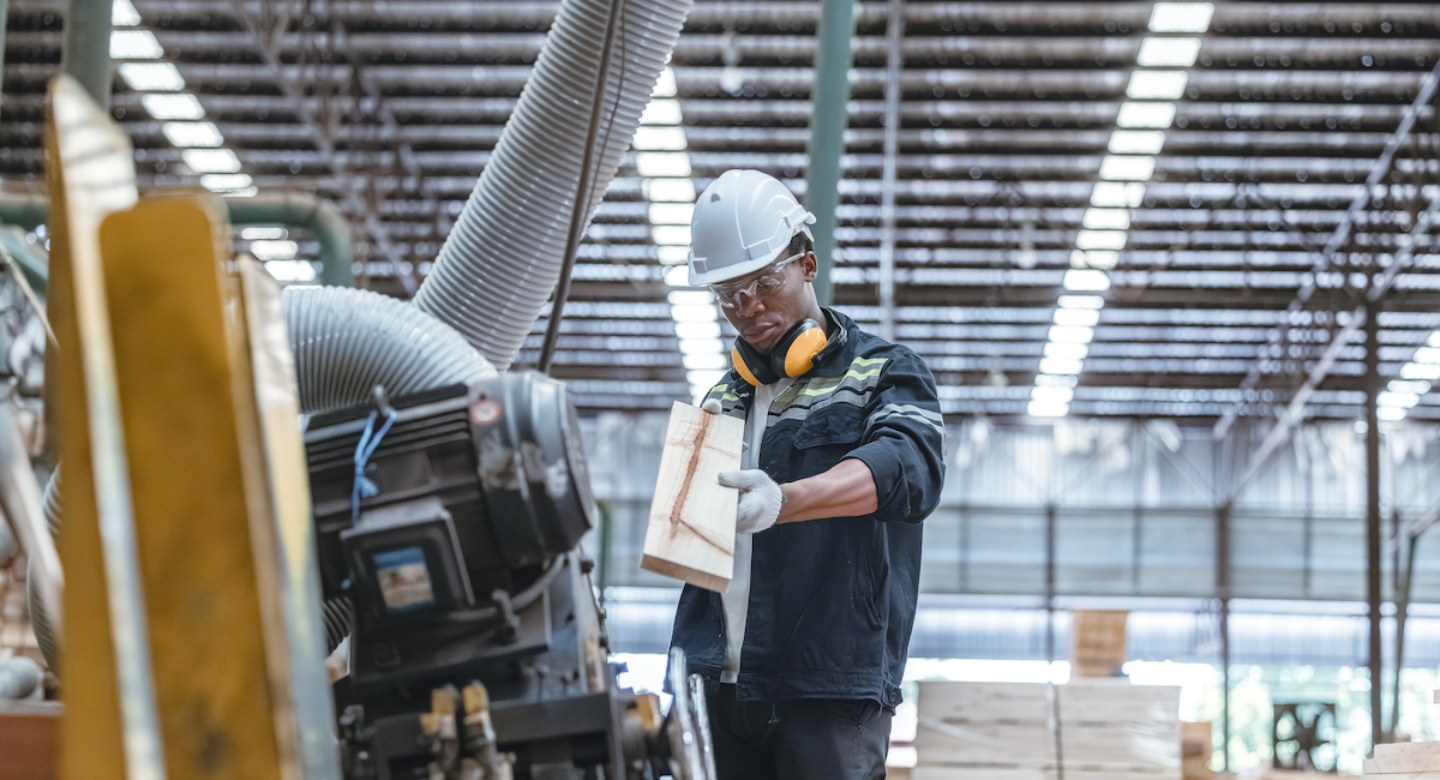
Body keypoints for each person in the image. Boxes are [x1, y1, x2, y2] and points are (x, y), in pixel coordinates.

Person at [666, 169, 946, 780]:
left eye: (764, 283)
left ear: (807, 264)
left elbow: (910, 469)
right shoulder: (722, 394)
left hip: (826, 684)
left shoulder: (883, 373)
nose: (749, 309)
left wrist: (784, 499)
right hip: (713, 685)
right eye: (729, 294)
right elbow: (687, 547)